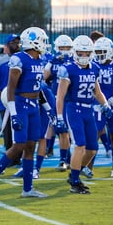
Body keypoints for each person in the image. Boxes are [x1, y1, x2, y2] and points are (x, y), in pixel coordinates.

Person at [0, 27, 49, 198]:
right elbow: (11, 88)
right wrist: (13, 113)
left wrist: (48, 109)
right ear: (34, 41)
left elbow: (38, 89)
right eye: (43, 40)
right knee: (19, 145)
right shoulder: (19, 59)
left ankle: (27, 189)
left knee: (31, 146)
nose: (44, 44)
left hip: (34, 106)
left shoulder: (39, 60)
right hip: (20, 105)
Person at [54, 35, 112, 194]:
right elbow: (60, 96)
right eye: (81, 52)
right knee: (80, 145)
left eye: (87, 53)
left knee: (92, 149)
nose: (84, 56)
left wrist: (105, 104)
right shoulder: (68, 69)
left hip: (88, 110)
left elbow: (97, 92)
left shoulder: (94, 68)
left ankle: (75, 175)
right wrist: (59, 117)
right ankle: (74, 182)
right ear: (75, 52)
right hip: (74, 109)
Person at [83, 37, 113, 177]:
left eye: (102, 51)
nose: (99, 54)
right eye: (97, 51)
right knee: (94, 136)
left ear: (109, 51)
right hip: (98, 106)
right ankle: (89, 167)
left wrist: (111, 100)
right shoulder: (93, 64)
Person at [43, 34, 74, 169]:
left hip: (69, 100)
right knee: (59, 129)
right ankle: (64, 159)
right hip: (56, 99)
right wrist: (51, 63)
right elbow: (43, 77)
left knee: (66, 131)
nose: (65, 50)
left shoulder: (75, 61)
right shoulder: (53, 61)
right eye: (62, 47)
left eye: (67, 47)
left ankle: (66, 159)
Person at [0, 34, 21, 157]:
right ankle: (11, 157)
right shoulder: (0, 62)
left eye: (17, 42)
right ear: (6, 46)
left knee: (21, 130)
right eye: (13, 43)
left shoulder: (23, 59)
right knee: (8, 132)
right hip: (5, 102)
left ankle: (19, 157)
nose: (16, 45)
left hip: (20, 100)